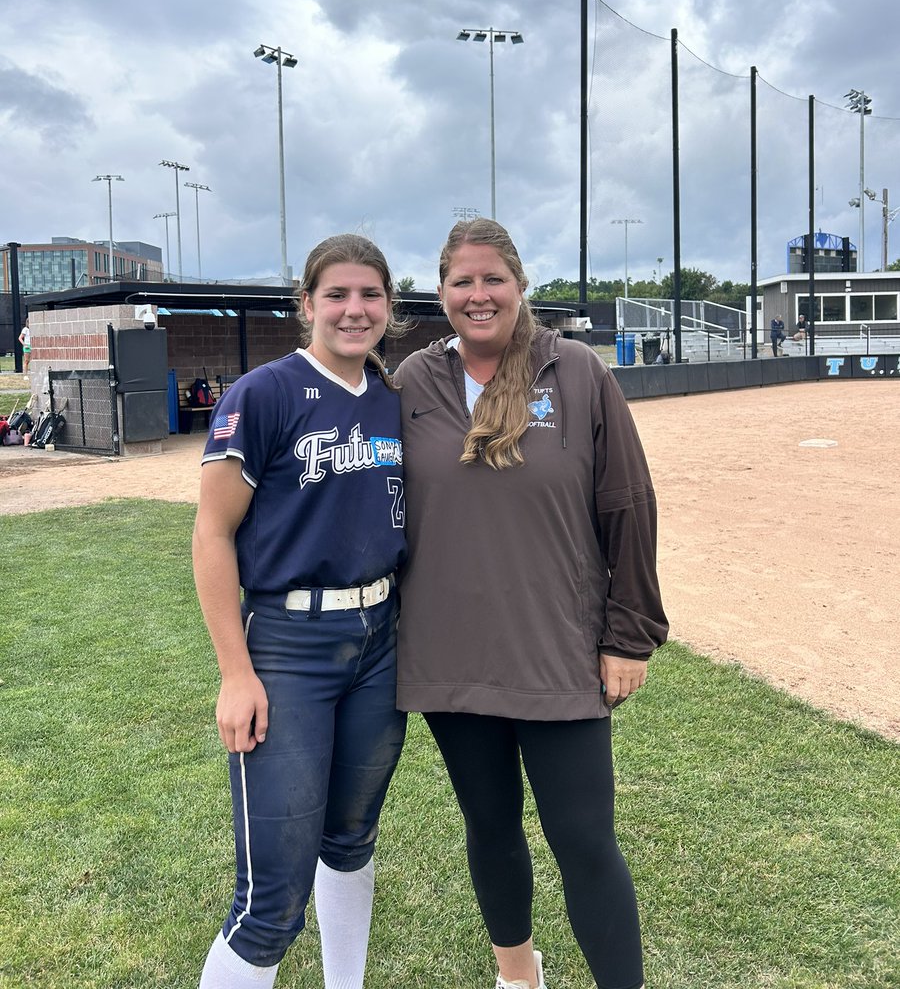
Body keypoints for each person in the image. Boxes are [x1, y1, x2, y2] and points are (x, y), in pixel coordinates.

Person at [394, 219, 668, 989]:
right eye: (461, 282)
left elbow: (628, 504)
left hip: (560, 654)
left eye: (493, 280)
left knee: (584, 840)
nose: (478, 296)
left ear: (520, 286)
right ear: (440, 291)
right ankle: (518, 976)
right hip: (452, 657)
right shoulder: (412, 381)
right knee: (490, 827)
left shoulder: (577, 371)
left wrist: (629, 636)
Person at [193, 234, 407, 989]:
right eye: (337, 294)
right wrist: (235, 674)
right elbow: (212, 535)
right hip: (288, 644)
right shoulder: (265, 393)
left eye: (370, 294)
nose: (355, 309)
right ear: (307, 303)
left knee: (350, 839)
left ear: (390, 304)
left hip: (380, 641)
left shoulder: (391, 396)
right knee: (270, 900)